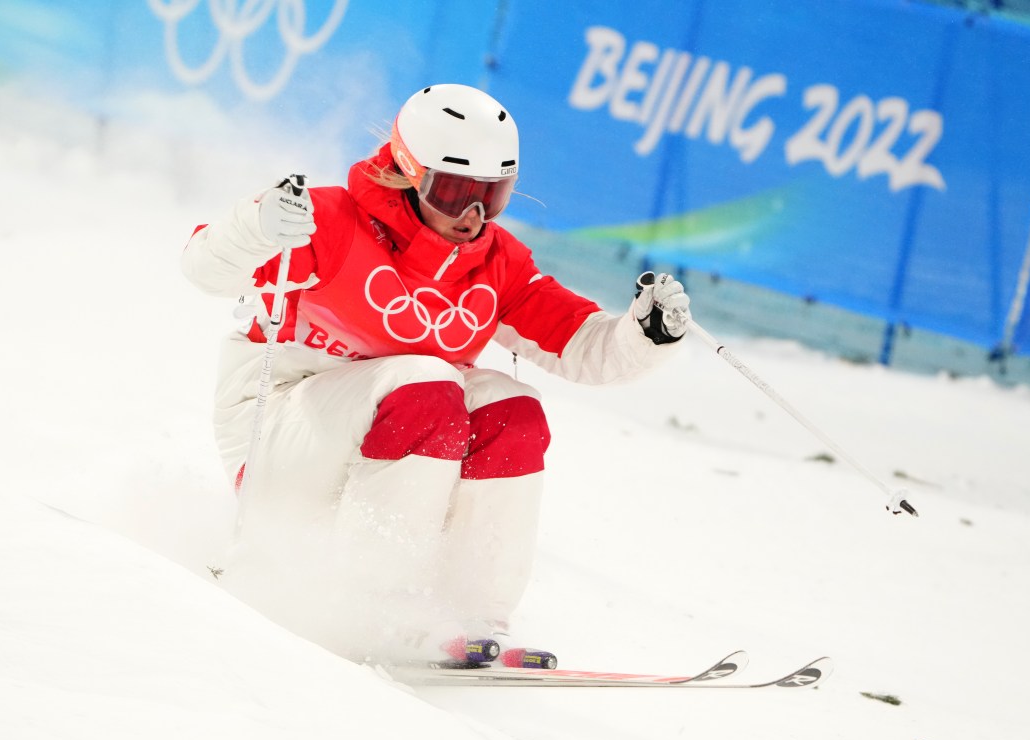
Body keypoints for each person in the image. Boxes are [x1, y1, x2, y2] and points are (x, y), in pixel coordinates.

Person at [181, 83, 692, 667]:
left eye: (492, 196)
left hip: (397, 436)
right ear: (407, 169)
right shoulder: (329, 221)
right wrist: (256, 226)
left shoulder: (495, 263)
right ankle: (371, 603)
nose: (472, 217)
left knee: (511, 408)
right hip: (277, 439)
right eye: (453, 192)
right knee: (425, 384)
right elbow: (204, 270)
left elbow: (579, 342)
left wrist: (644, 335)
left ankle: (470, 614)